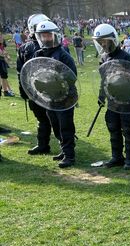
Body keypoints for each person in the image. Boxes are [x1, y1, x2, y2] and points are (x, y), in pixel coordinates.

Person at [93, 23, 130, 170]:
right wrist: (102, 96)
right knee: (113, 128)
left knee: (128, 130)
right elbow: (104, 80)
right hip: (112, 101)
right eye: (101, 42)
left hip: (127, 101)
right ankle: (117, 157)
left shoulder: (127, 57)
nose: (103, 44)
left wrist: (123, 80)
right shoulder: (104, 58)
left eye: (106, 41)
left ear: (113, 40)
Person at [33, 20, 78, 168]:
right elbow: (35, 74)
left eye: (48, 35)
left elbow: (72, 76)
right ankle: (63, 150)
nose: (46, 38)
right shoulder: (38, 54)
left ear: (55, 36)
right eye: (43, 36)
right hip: (49, 98)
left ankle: (69, 156)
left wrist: (56, 81)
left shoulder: (63, 55)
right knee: (56, 125)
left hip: (65, 97)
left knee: (65, 126)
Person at [17, 14, 57, 156]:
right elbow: (21, 72)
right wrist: (24, 92)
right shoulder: (25, 48)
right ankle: (43, 145)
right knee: (43, 119)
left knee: (55, 120)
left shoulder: (54, 46)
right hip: (34, 91)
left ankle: (66, 149)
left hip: (50, 91)